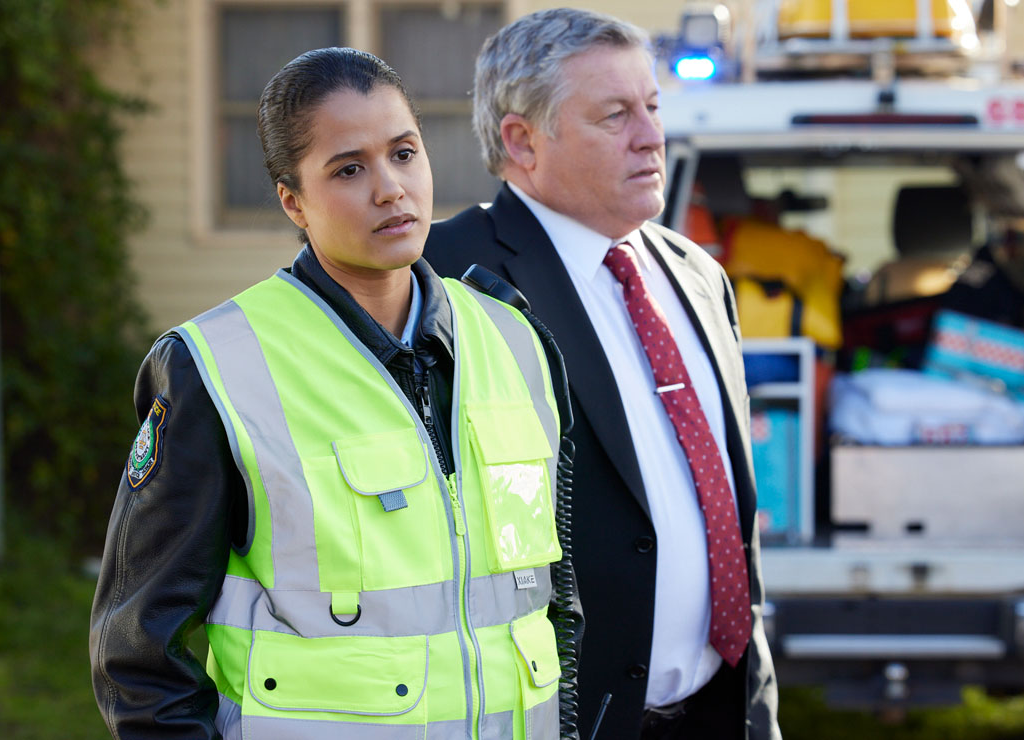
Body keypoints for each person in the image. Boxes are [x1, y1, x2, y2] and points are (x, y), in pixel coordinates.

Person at [91, 47, 574, 740]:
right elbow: (136, 655)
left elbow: (555, 606)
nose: (391, 189)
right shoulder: (216, 367)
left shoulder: (515, 340)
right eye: (349, 169)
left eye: (404, 153)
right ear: (293, 200)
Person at [424, 9, 781, 739]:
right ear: (522, 141)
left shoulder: (697, 275)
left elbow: (726, 514)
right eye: (615, 115)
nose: (651, 136)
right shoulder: (443, 282)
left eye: (652, 107)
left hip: (721, 710)